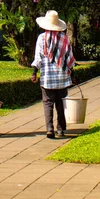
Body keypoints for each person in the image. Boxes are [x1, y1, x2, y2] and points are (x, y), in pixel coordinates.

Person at [31, 10, 75, 139]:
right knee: (61, 103)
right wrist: (73, 75)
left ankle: (49, 128)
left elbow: (38, 58)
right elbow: (70, 58)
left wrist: (34, 72)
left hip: (47, 78)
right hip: (62, 77)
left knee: (48, 103)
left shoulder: (42, 38)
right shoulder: (64, 38)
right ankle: (61, 129)